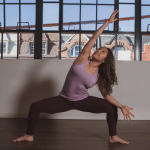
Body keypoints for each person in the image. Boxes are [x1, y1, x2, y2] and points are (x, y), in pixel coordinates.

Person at [12, 9, 135, 144]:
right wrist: (107, 23)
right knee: (35, 107)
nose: (98, 51)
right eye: (99, 49)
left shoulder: (99, 75)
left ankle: (113, 136)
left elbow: (106, 95)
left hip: (83, 101)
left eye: (103, 52)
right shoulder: (82, 59)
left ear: (105, 60)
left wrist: (122, 106)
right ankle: (29, 135)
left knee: (112, 108)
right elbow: (94, 37)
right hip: (64, 100)